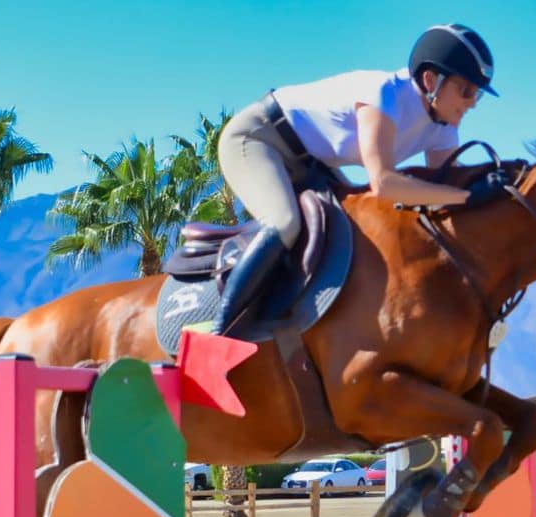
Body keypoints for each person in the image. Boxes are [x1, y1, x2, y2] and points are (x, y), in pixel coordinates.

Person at [209, 23, 506, 336]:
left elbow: (448, 188)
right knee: (284, 223)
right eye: (467, 90)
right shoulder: (384, 94)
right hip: (259, 138)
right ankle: (219, 333)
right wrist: (469, 196)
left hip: (311, 165)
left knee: (358, 235)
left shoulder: (443, 128)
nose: (472, 102)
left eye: (478, 95)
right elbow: (385, 184)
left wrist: (492, 190)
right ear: (431, 80)